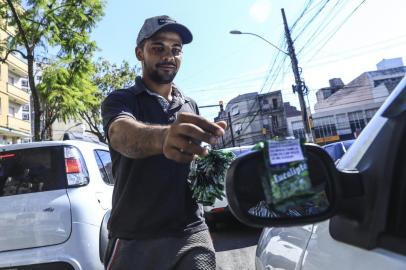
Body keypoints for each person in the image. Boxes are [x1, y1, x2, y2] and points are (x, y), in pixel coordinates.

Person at [101, 15, 227, 270]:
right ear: (140, 53)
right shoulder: (120, 100)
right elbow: (120, 133)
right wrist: (163, 137)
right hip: (134, 237)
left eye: (176, 49)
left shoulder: (190, 105)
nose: (168, 55)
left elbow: (197, 162)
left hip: (191, 232)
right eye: (158, 48)